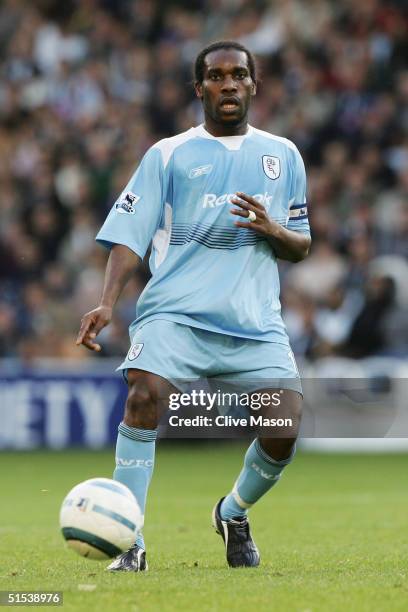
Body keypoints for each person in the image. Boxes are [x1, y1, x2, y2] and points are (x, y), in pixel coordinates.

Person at [76, 40, 311, 571]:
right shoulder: (167, 154)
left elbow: (301, 244)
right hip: (175, 315)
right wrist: (107, 302)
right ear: (199, 87)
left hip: (253, 323)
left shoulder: (284, 155)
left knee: (285, 428)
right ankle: (129, 538)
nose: (228, 85)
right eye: (216, 76)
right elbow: (129, 237)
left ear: (254, 84)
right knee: (142, 395)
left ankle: (233, 512)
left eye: (238, 75)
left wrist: (271, 229)